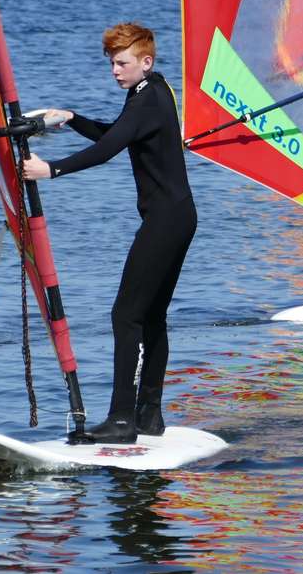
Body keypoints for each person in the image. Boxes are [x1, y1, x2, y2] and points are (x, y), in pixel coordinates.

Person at [22, 23, 196, 444]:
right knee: (151, 315)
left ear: (145, 62)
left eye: (122, 63)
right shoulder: (151, 92)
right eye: (112, 64)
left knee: (126, 315)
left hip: (165, 221)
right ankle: (149, 416)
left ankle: (121, 419)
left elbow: (107, 151)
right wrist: (72, 118)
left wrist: (52, 169)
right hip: (177, 217)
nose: (115, 71)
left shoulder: (148, 98)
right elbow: (116, 134)